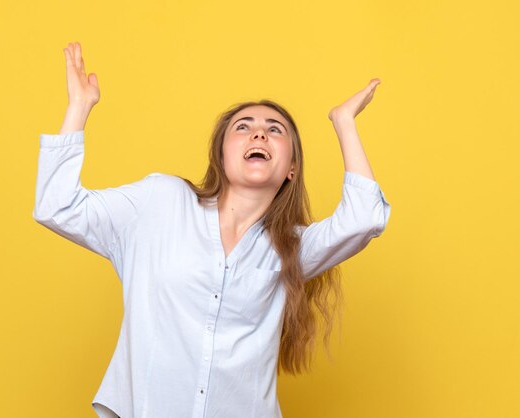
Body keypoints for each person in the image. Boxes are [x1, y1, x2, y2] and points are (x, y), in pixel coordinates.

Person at [33, 41, 392, 418]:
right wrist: (78, 107)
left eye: (275, 130)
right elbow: (58, 206)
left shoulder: (292, 249)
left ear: (291, 169)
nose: (259, 135)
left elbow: (365, 219)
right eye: (244, 127)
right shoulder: (160, 202)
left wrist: (344, 121)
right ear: (221, 155)